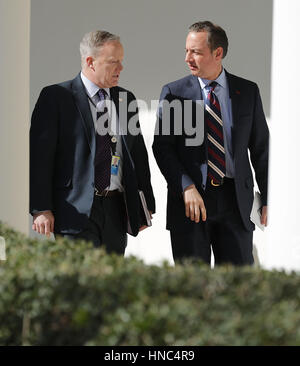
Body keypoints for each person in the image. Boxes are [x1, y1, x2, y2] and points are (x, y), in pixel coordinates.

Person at [152, 21, 268, 266]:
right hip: (191, 204)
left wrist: (267, 197)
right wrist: (186, 187)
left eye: (195, 52)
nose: (187, 58)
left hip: (236, 203)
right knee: (193, 288)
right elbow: (162, 147)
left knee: (238, 287)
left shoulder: (247, 91)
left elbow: (261, 149)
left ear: (218, 53)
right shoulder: (174, 93)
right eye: (186, 50)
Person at [30, 30, 155, 255]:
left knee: (110, 284)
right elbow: (41, 159)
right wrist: (41, 208)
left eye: (121, 61)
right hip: (74, 209)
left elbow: (137, 155)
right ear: (90, 62)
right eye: (113, 62)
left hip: (116, 208)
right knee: (79, 283)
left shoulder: (126, 98)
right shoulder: (57, 97)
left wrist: (145, 204)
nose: (121, 68)